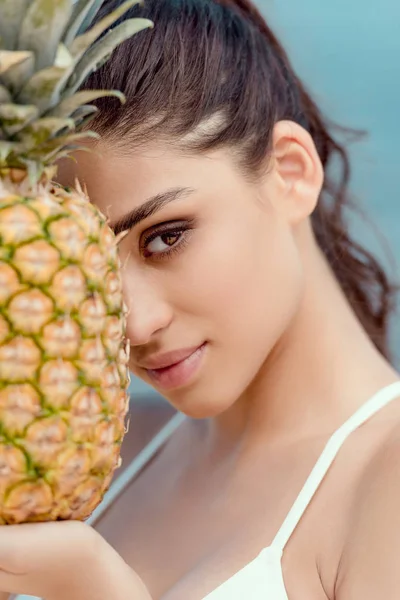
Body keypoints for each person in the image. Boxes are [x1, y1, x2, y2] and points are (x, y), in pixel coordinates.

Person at [2, 0, 400, 599]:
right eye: (88, 265)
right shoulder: (102, 463)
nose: (134, 322)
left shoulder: (384, 486)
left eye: (166, 237)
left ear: (290, 172)